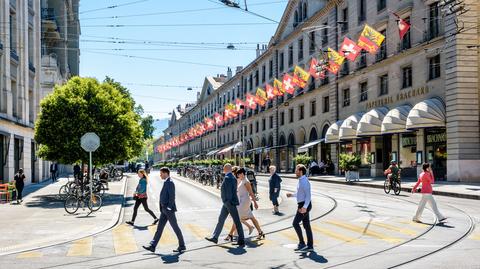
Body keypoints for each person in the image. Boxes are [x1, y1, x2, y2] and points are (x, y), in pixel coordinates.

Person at [143, 167, 186, 253]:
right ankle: (152, 246)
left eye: (161, 174)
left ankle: (182, 245)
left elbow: (172, 196)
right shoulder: (166, 182)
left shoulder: (170, 183)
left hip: (168, 209)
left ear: (166, 173)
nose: (160, 175)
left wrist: (169, 207)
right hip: (164, 209)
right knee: (159, 228)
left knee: (175, 227)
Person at [205, 164, 245, 247]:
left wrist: (226, 201)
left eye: (224, 168)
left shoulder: (227, 178)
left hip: (229, 203)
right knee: (221, 219)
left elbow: (229, 192)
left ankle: (241, 240)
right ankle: (215, 237)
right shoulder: (233, 177)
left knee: (236, 221)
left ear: (226, 169)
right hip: (228, 203)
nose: (223, 169)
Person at [225, 168, 265, 241]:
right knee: (251, 217)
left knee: (237, 218)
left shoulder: (246, 181)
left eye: (238, 174)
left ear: (242, 174)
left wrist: (255, 203)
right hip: (242, 202)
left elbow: (251, 192)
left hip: (245, 202)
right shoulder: (242, 180)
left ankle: (230, 235)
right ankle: (260, 232)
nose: (237, 176)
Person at [286, 164, 314, 252]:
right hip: (302, 205)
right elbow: (300, 193)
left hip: (304, 205)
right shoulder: (301, 180)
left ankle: (302, 243)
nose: (295, 172)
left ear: (301, 171)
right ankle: (310, 246)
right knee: (306, 225)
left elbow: (308, 196)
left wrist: (305, 207)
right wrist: (292, 195)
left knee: (295, 223)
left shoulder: (304, 181)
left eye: (296, 170)